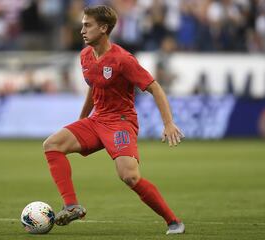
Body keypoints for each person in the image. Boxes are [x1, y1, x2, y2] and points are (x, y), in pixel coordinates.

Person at [43, 5, 185, 235]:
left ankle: (173, 221)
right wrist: (81, 121)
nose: (82, 30)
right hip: (97, 119)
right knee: (51, 145)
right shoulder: (85, 56)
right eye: (82, 25)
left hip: (120, 122)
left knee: (129, 176)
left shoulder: (123, 60)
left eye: (87, 25)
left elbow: (155, 88)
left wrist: (168, 123)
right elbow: (94, 87)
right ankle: (71, 206)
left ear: (103, 28)